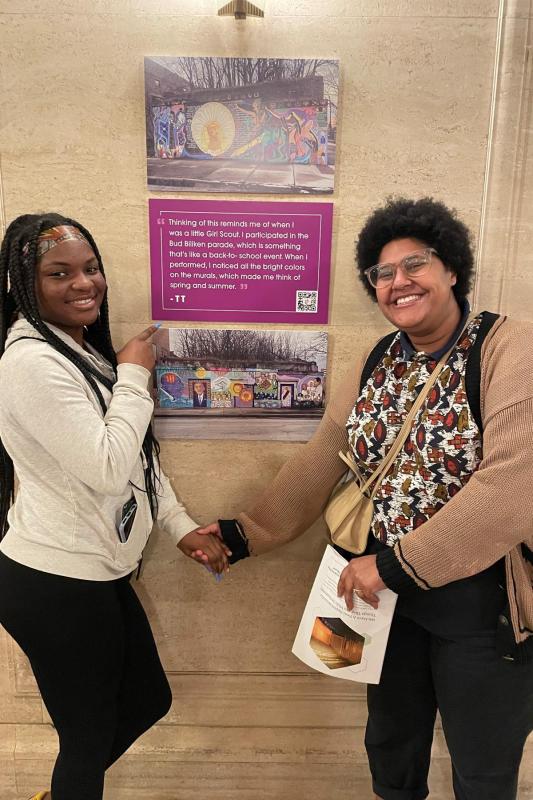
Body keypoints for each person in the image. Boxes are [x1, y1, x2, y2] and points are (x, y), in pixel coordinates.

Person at [196, 198, 533, 800]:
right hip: (378, 592)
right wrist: (242, 533)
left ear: (452, 268)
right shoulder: (377, 359)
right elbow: (324, 458)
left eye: (415, 264)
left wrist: (396, 566)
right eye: (382, 273)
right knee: (390, 742)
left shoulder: (509, 349)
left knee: (483, 761)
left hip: (477, 601)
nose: (398, 282)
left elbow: (513, 486)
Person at [0, 213, 229, 800]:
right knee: (85, 739)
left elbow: (136, 463)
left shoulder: (75, 350)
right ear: (23, 285)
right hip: (54, 581)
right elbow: (106, 468)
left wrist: (178, 526)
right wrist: (134, 375)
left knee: (149, 699)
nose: (85, 284)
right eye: (60, 273)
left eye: (91, 268)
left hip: (95, 573)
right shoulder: (29, 363)